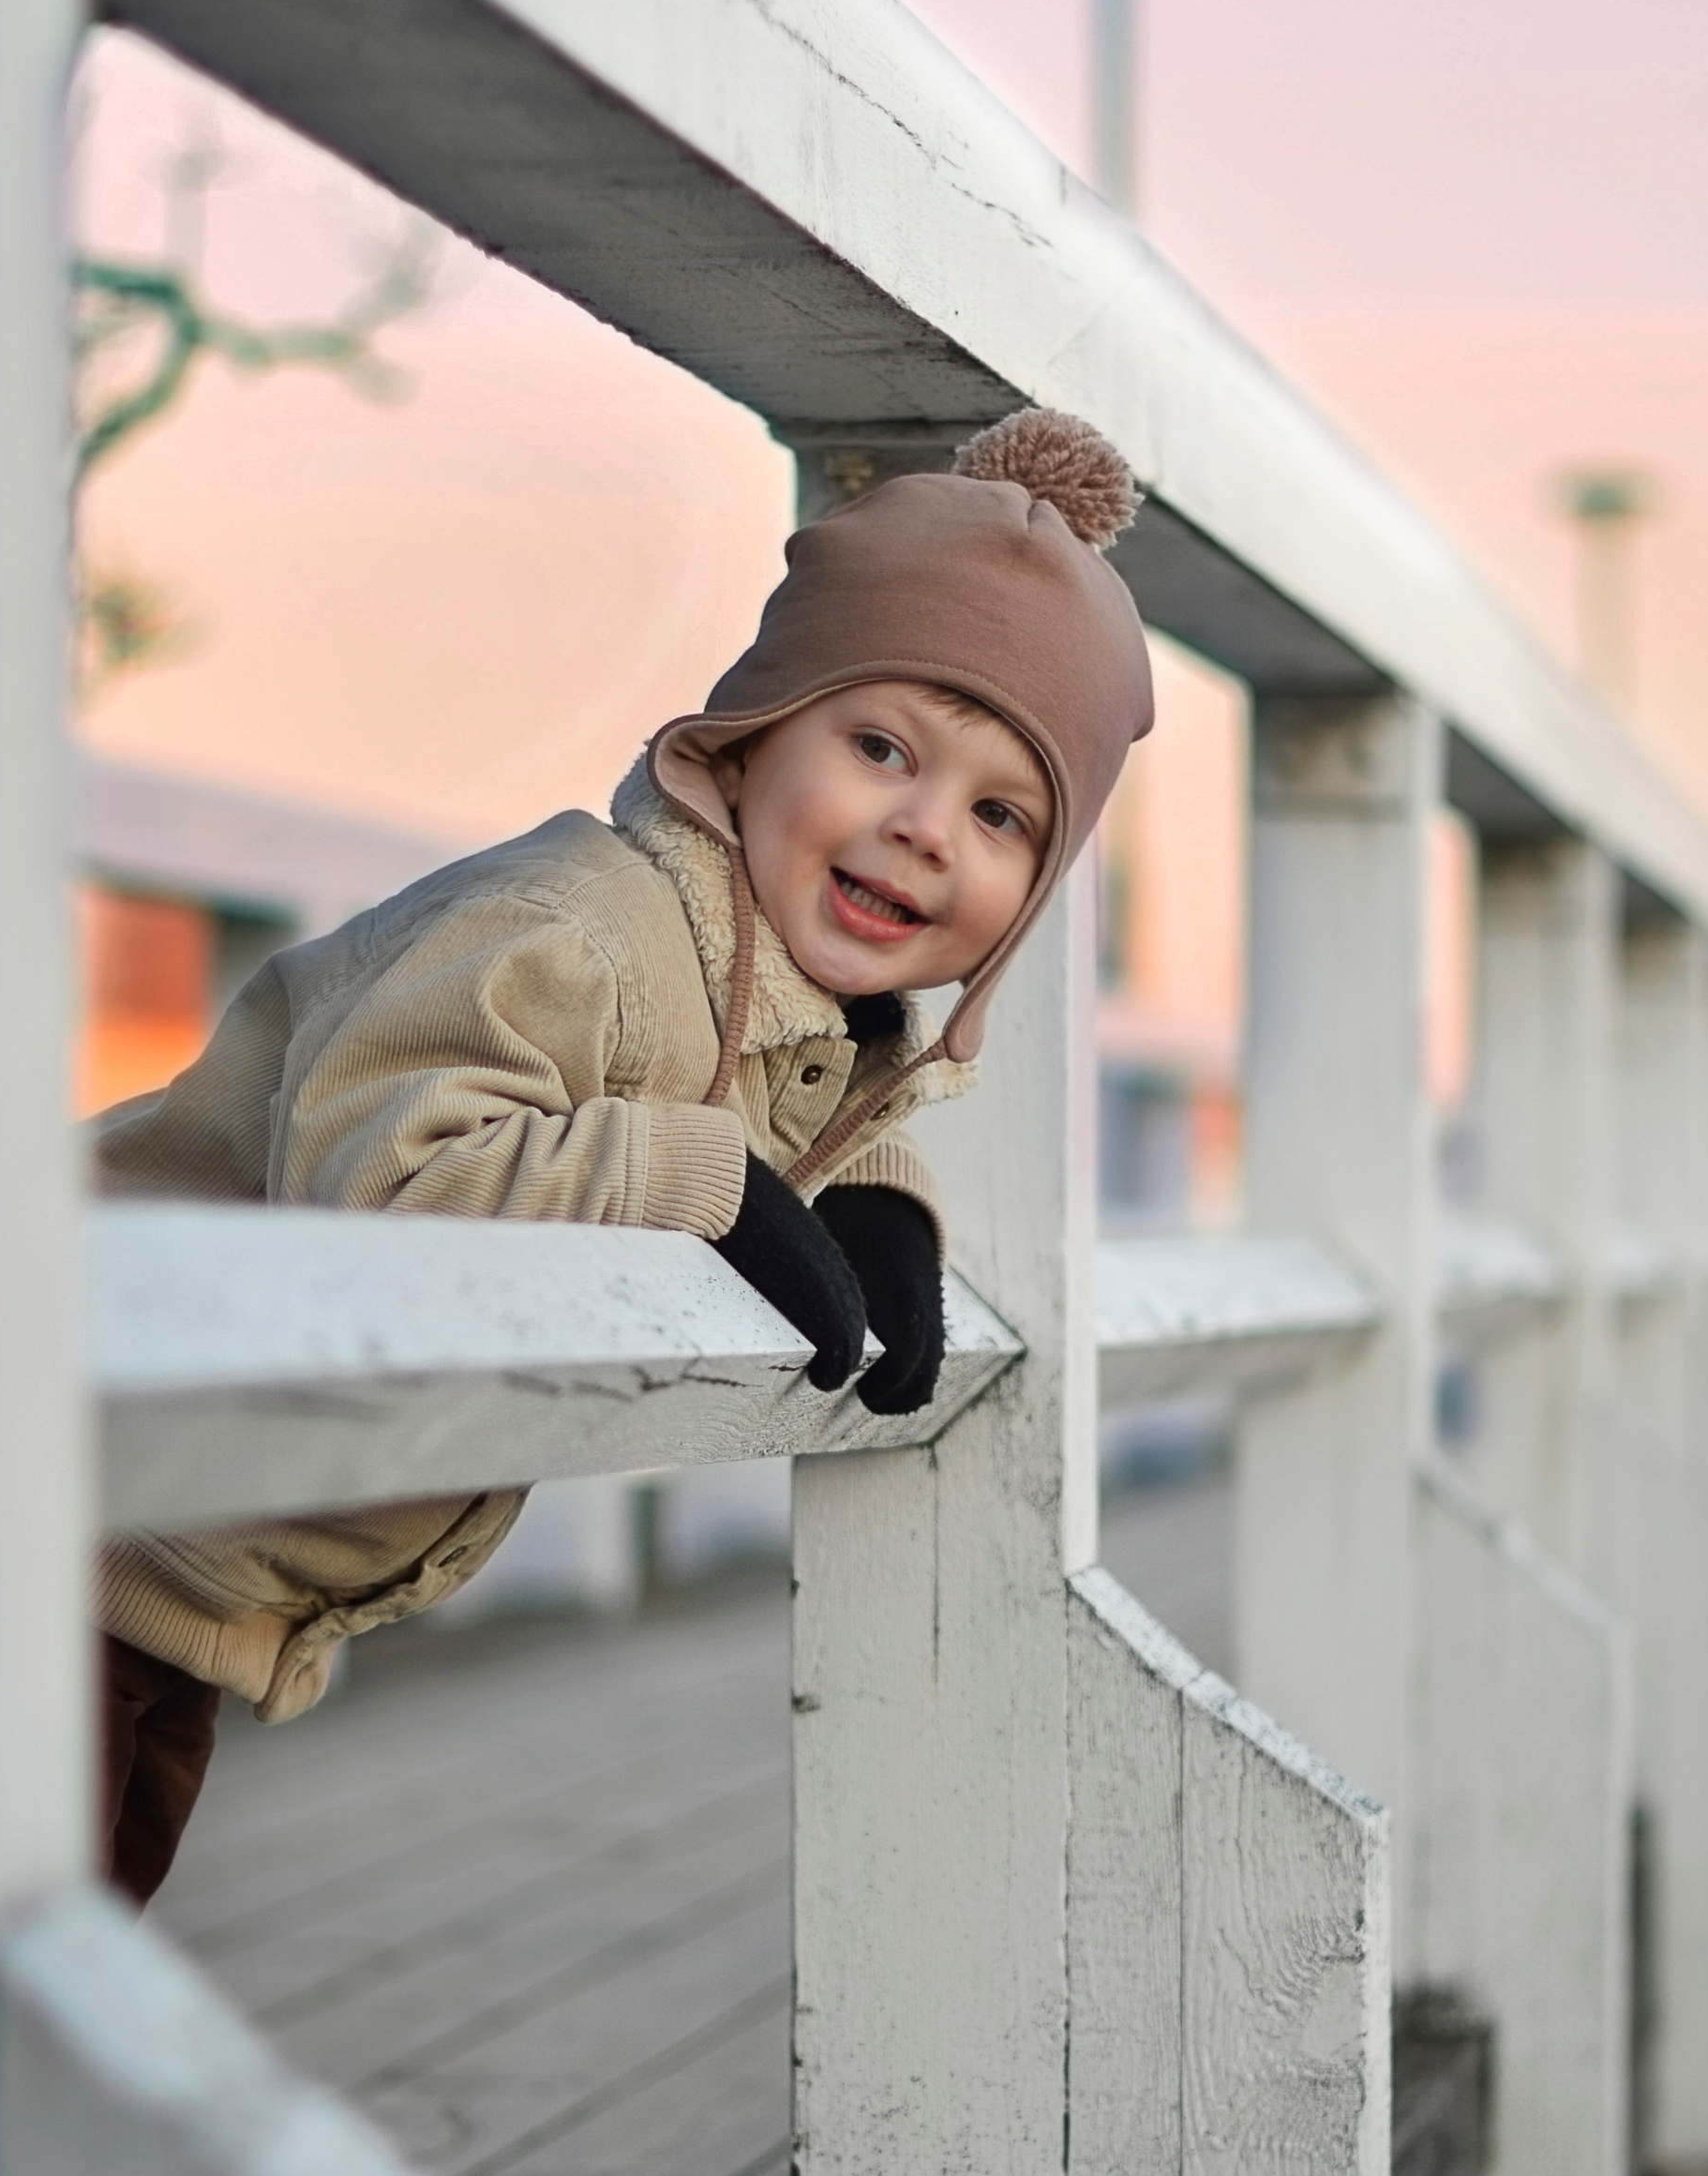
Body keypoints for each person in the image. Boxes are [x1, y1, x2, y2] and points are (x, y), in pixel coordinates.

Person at [92, 407, 1155, 1904]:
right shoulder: (581, 931)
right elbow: (383, 1183)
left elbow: (801, 1118)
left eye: (1000, 815)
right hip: (45, 1493)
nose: (924, 829)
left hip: (175, 1581)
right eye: (878, 746)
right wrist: (713, 1188)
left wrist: (875, 1208)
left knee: (17, 2006)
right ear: (752, 732)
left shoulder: (784, 990)